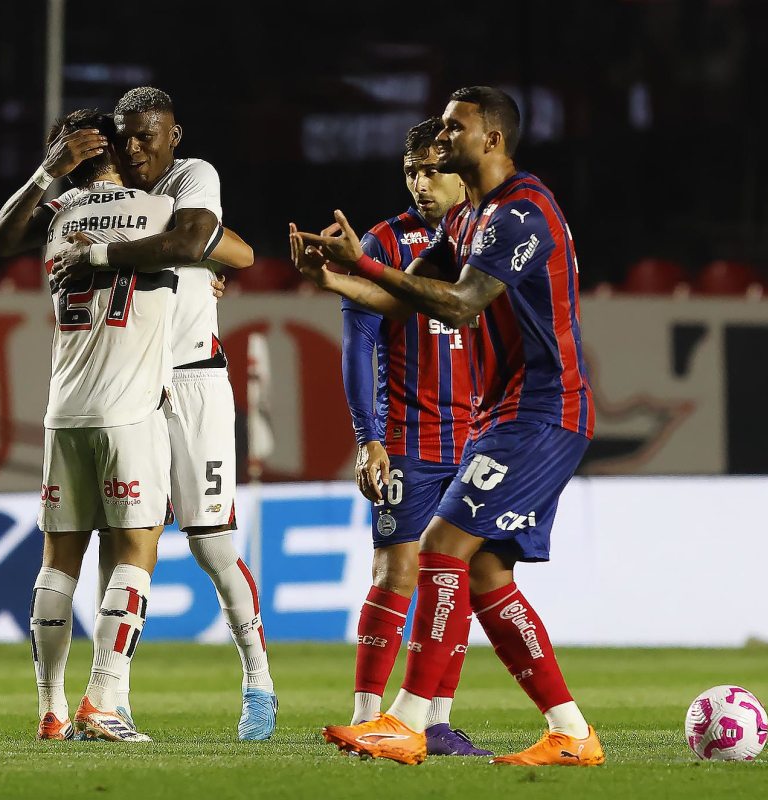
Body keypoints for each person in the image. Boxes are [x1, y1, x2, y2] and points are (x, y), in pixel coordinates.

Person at [293, 86, 604, 767]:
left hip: (544, 408)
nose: (440, 136)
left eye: (454, 127)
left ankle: (406, 722)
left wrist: (366, 265)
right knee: (487, 572)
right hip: (510, 410)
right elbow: (400, 297)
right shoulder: (467, 221)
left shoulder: (518, 214)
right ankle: (570, 731)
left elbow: (461, 306)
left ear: (491, 139)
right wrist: (337, 277)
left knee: (438, 544)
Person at [50, 87, 277, 741]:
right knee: (120, 539)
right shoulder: (102, 199)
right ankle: (108, 695)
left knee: (210, 543)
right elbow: (211, 245)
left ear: (173, 136)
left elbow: (213, 240)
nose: (136, 148)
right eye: (125, 137)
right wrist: (188, 248)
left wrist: (189, 249)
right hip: (129, 385)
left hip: (194, 381)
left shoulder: (191, 176)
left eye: (149, 136)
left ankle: (257, 681)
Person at [293, 118, 489, 757]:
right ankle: (369, 712)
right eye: (412, 171)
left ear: (463, 168)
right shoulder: (383, 241)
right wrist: (367, 435)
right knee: (399, 568)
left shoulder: (494, 234)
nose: (421, 182)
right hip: (407, 433)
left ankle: (435, 717)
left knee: (455, 574)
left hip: (479, 435)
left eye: (434, 169)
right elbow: (360, 341)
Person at [14, 108, 184, 743]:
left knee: (59, 561)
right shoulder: (158, 212)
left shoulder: (57, 221)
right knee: (136, 552)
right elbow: (223, 247)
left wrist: (48, 173)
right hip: (129, 411)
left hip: (64, 412)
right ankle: (104, 698)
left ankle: (51, 708)